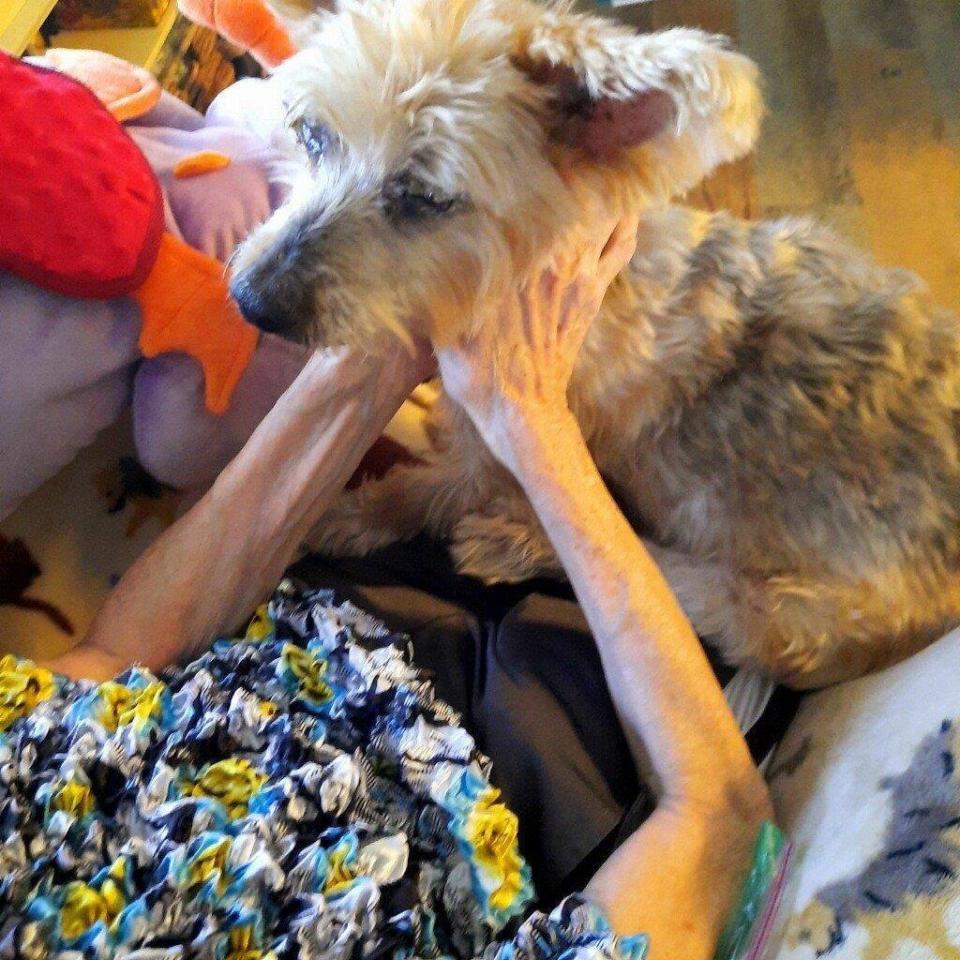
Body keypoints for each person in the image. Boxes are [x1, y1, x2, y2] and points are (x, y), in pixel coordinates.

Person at [11, 217, 774, 960]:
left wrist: (369, 361)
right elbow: (718, 816)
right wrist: (531, 417)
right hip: (544, 766)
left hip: (311, 634)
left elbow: (117, 657)